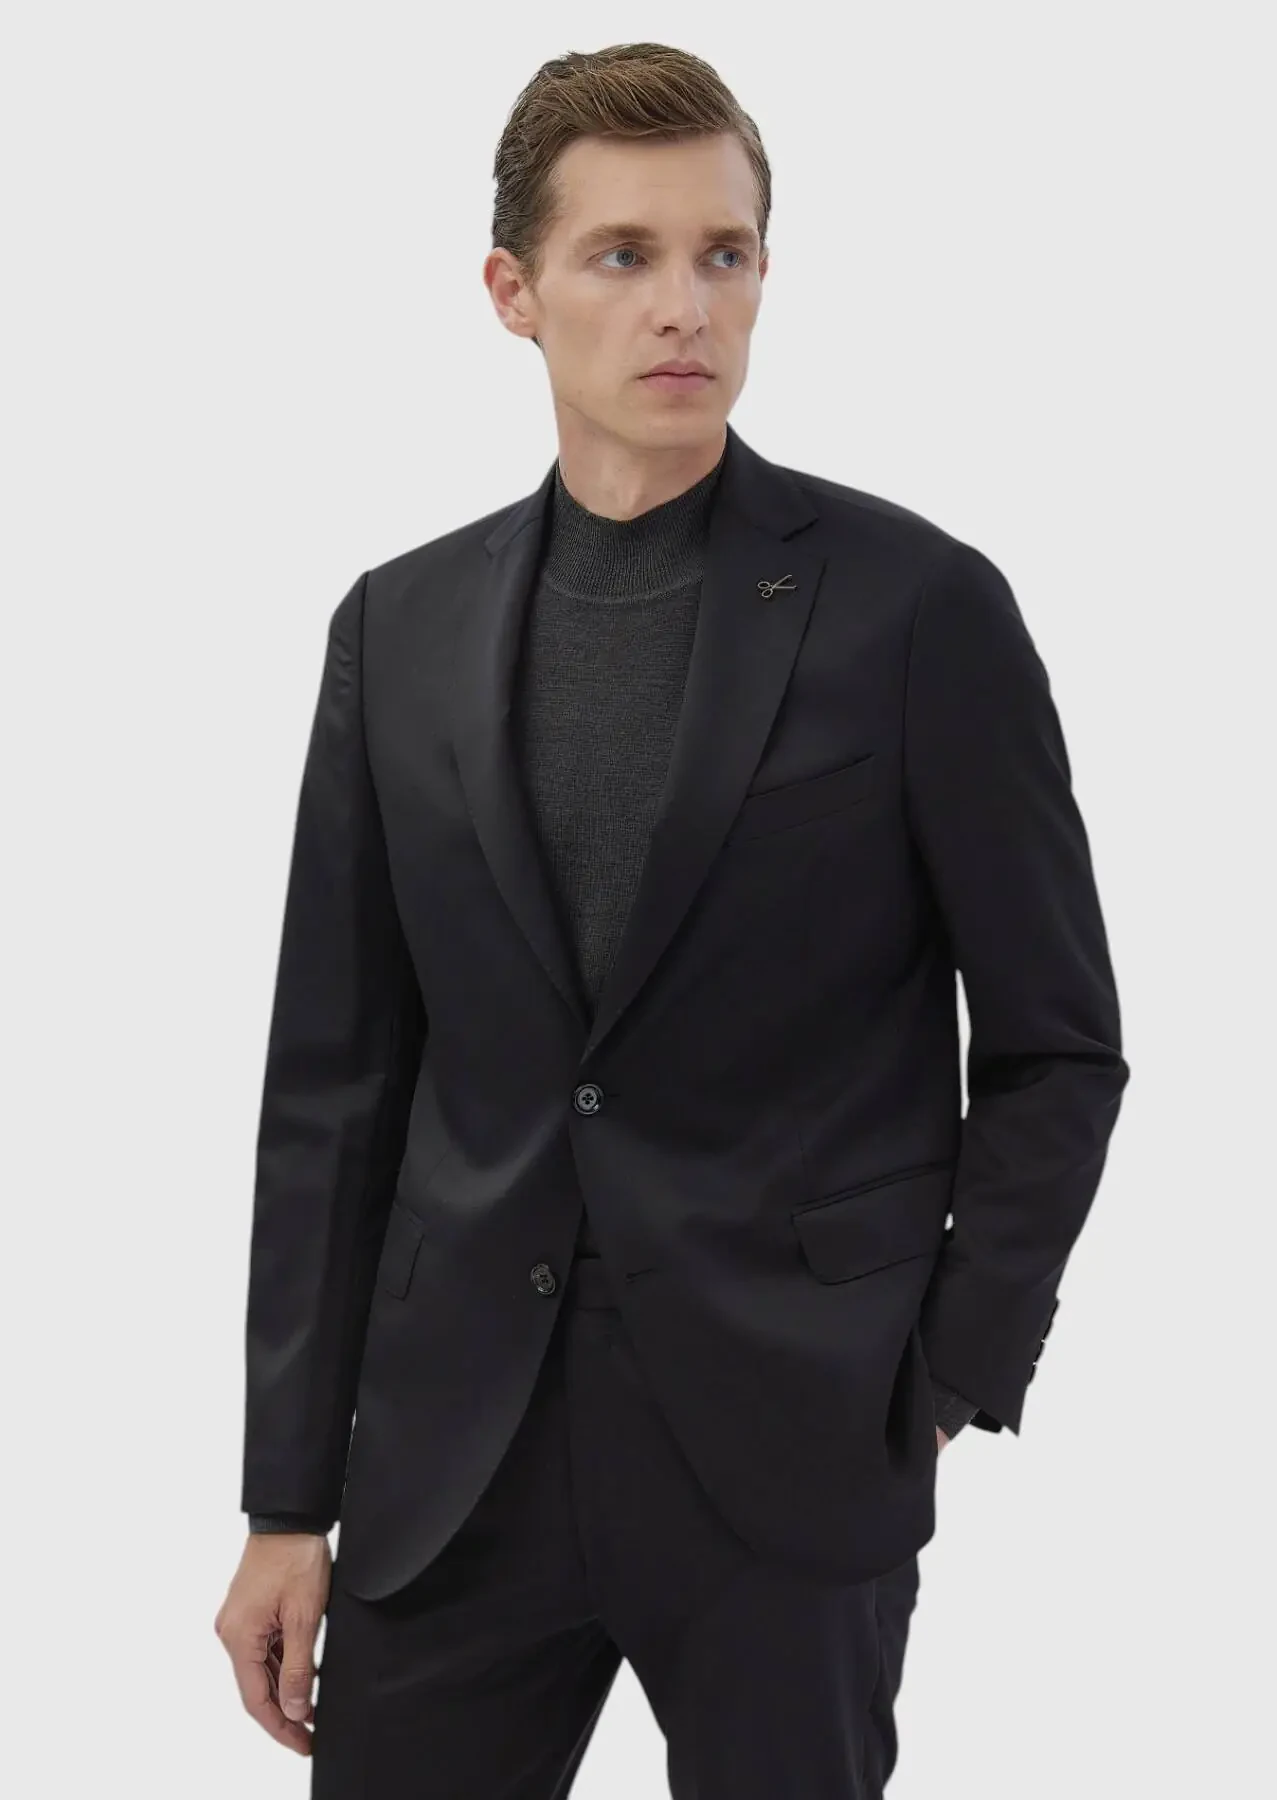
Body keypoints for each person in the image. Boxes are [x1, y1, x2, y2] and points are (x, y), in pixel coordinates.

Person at [214, 40, 1129, 1797]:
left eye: (724, 254)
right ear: (514, 291)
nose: (682, 306)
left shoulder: (918, 610)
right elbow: (334, 1092)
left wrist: (943, 1374)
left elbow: (1056, 1046)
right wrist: (284, 1497)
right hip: (456, 1461)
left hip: (794, 1444)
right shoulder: (397, 629)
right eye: (623, 254)